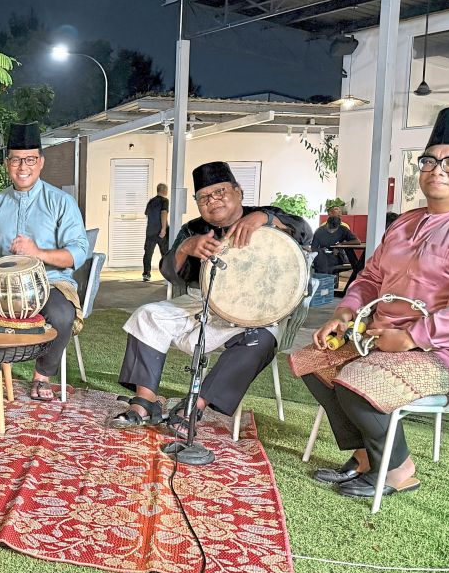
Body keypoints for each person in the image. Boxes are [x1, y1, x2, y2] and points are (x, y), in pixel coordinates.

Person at [291, 107, 449, 499]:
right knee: (314, 363)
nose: (437, 169)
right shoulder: (405, 224)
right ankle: (365, 459)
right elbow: (371, 278)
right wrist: (345, 316)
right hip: (375, 339)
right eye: (430, 160)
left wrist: (412, 336)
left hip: (442, 351)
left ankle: (399, 472)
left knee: (355, 384)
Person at [109, 161, 311, 433]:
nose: (212, 200)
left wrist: (264, 218)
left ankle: (194, 406)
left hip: (256, 312)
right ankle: (145, 402)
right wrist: (184, 248)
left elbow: (304, 230)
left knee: (261, 339)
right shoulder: (193, 229)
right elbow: (170, 272)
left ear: (238, 192)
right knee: (147, 315)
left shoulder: (263, 217)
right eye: (203, 197)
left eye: (220, 192)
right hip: (200, 302)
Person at [0, 122, 90, 401]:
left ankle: (42, 377)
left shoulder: (61, 202)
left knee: (61, 315)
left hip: (49, 283)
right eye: (16, 160)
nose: (23, 166)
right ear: (7, 163)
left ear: (41, 162)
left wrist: (39, 253)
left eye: (30, 159)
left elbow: (78, 252)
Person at [311, 205, 359, 275]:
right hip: (323, 255)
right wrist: (321, 250)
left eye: (340, 211)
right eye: (329, 230)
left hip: (338, 255)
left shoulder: (343, 228)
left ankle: (327, 281)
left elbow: (357, 241)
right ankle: (325, 281)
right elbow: (313, 248)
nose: (331, 232)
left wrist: (340, 245)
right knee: (321, 260)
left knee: (328, 263)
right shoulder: (319, 231)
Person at [143, 183, 170, 282]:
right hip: (160, 232)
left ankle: (146, 274)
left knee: (148, 253)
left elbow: (147, 214)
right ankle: (167, 274)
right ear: (165, 191)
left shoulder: (151, 201)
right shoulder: (165, 201)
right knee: (166, 253)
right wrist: (163, 228)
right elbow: (164, 213)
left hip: (150, 231)